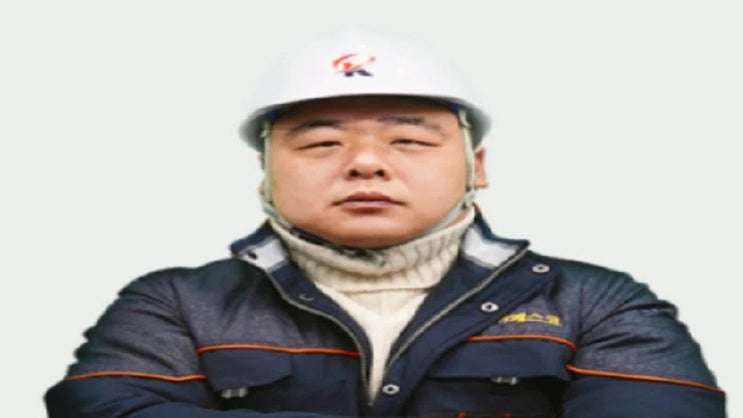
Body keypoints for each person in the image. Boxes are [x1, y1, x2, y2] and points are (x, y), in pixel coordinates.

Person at [44, 28, 726, 418]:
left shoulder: (593, 302)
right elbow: (102, 409)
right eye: (320, 142)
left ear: (476, 166)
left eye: (408, 140)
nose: (366, 162)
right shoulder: (175, 304)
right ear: (264, 173)